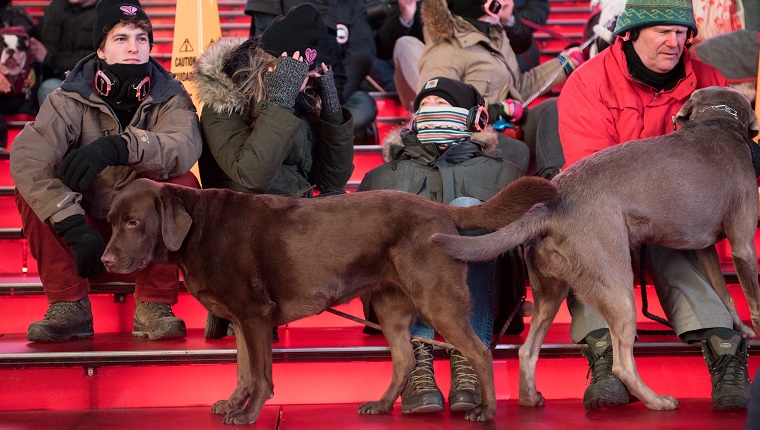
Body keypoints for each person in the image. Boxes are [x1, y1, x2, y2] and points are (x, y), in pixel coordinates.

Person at [557, 0, 750, 411]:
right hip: (605, 206)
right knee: (585, 240)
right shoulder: (588, 82)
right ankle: (606, 356)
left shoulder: (709, 80)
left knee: (677, 234)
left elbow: (723, 169)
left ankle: (724, 347)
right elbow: (592, 169)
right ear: (629, 33)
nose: (674, 42)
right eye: (662, 31)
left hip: (680, 209)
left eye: (682, 33)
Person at [10, 0, 202, 343]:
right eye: (121, 38)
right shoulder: (67, 97)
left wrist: (121, 146)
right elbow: (29, 159)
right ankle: (69, 306)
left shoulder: (170, 93)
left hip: (141, 239)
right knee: (31, 187)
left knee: (185, 184)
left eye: (142, 38)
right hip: (85, 240)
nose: (133, 47)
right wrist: (69, 222)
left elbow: (183, 147)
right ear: (100, 48)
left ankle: (154, 307)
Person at [359, 77, 526, 413]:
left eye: (443, 104)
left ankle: (468, 355)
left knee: (466, 209)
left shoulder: (507, 173)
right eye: (425, 105)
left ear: (472, 117)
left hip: (482, 291)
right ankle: (417, 358)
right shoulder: (380, 177)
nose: (432, 110)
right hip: (402, 296)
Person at [194, 4, 355, 339]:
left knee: (347, 206)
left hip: (292, 217)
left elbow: (331, 181)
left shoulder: (299, 96)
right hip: (241, 221)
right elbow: (251, 175)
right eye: (288, 71)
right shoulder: (223, 101)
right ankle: (234, 304)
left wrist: (332, 112)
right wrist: (280, 101)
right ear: (264, 64)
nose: (298, 81)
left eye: (302, 71)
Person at [419, 0, 584, 178]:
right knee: (516, 151)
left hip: (507, 127)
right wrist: (495, 111)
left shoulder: (497, 36)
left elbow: (517, 87)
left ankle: (556, 183)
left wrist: (563, 65)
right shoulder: (446, 47)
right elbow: (434, 106)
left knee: (550, 108)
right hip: (471, 140)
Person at [244, 0, 378, 141]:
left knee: (364, 106)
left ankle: (314, 131)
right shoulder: (270, 4)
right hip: (277, 93)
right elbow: (264, 54)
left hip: (335, 90)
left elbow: (361, 56)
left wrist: (329, 97)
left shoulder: (350, 5)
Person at [33, 0, 99, 106]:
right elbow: (37, 34)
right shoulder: (57, 6)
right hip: (48, 75)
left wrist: (50, 59)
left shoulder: (105, 11)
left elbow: (95, 61)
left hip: (87, 84)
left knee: (50, 89)